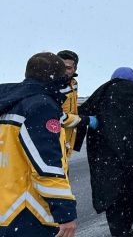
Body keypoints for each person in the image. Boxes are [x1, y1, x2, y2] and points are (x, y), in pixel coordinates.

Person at [0, 52, 77, 237]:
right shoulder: (41, 106)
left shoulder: (9, 102)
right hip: (28, 211)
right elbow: (46, 166)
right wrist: (66, 213)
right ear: (57, 78)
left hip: (6, 207)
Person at [78, 67, 133, 237]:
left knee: (112, 195)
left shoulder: (102, 92)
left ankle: (118, 230)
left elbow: (81, 115)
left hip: (108, 155)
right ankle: (126, 226)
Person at [56, 50, 96, 157]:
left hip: (66, 141)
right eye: (61, 66)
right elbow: (55, 117)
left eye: (68, 68)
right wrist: (83, 120)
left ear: (75, 69)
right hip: (53, 142)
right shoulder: (52, 87)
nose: (64, 71)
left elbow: (70, 108)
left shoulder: (73, 83)